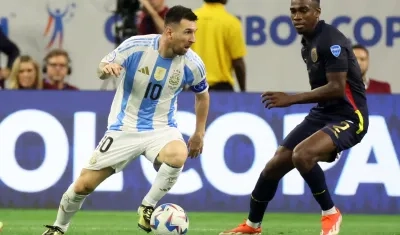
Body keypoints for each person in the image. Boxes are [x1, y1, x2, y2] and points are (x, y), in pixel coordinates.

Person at [42, 5, 209, 235]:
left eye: (195, 32)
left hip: (162, 128)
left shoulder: (193, 64)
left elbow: (202, 96)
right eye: (188, 32)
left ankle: (147, 206)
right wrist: (107, 68)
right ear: (169, 32)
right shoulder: (136, 46)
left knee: (178, 154)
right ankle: (59, 228)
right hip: (124, 127)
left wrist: (199, 132)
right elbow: (102, 68)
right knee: (84, 185)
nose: (193, 39)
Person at [220, 0, 368, 235]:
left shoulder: (332, 41)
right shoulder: (306, 43)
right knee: (274, 166)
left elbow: (337, 88)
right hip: (324, 113)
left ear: (317, 12)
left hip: (350, 116)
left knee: (302, 154)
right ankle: (252, 226)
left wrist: (291, 98)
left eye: (303, 10)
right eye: (293, 11)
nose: (296, 16)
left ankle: (330, 213)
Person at [192, 0, 246, 91]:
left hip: (193, 88)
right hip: (221, 90)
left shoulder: (190, 20)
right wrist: (243, 91)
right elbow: (238, 63)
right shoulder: (231, 22)